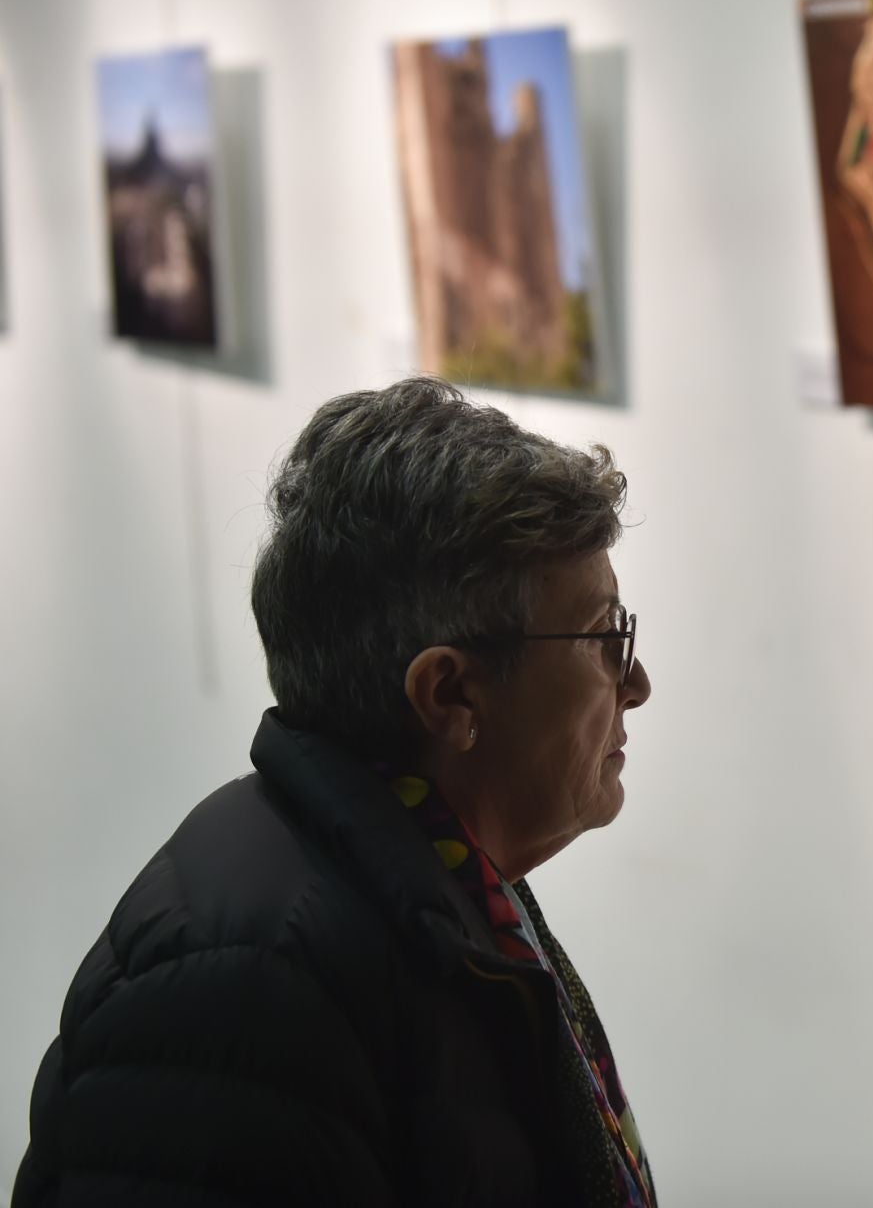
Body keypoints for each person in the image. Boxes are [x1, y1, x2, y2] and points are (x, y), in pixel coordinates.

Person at [14, 377, 657, 1206]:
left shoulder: (430, 895)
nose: (635, 681)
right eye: (606, 634)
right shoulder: (251, 984)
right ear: (451, 695)